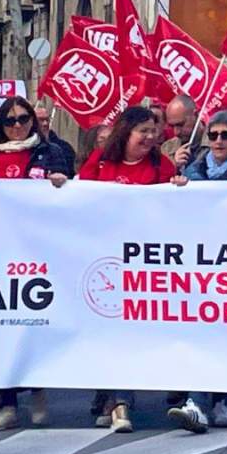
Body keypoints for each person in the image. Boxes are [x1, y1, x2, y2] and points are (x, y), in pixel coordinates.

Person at [0, 96, 75, 431]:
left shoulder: (51, 151)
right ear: (0, 124)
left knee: (33, 324)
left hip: (37, 251)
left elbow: (70, 192)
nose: (17, 126)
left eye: (23, 119)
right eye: (10, 121)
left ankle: (37, 390)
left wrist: (60, 184)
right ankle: (8, 404)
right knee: (1, 328)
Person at [75, 106, 177, 432]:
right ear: (127, 132)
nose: (150, 136)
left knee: (127, 333)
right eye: (143, 131)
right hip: (101, 261)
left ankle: (122, 401)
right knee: (104, 331)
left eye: (153, 130)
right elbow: (79, 197)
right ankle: (108, 395)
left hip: (142, 264)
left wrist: (182, 188)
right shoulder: (102, 161)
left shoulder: (162, 164)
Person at [162, 110, 227, 434]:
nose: (218, 141)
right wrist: (180, 185)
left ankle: (220, 401)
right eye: (214, 135)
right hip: (199, 263)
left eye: (226, 136)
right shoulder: (197, 168)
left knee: (225, 332)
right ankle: (196, 402)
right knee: (200, 330)